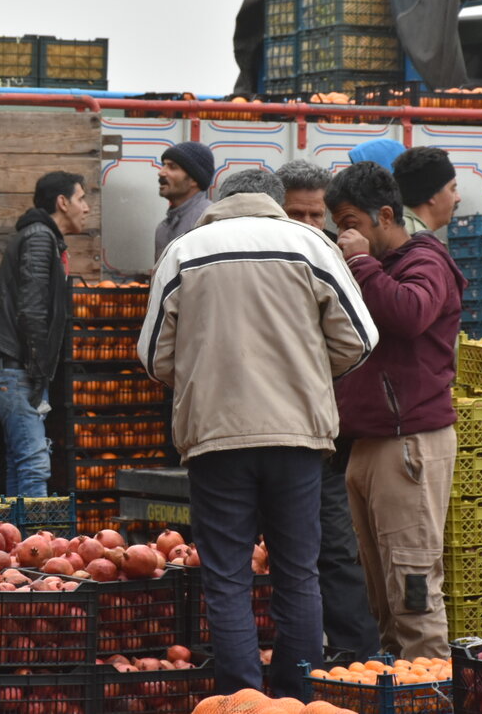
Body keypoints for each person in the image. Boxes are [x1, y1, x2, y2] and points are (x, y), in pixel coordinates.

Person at [139, 169, 377, 699]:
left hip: (215, 436)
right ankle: (297, 699)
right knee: (298, 573)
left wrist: (202, 377)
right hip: (296, 436)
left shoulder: (185, 250)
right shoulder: (311, 244)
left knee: (227, 577)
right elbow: (360, 338)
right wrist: (308, 373)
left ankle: (240, 699)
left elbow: (154, 354)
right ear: (275, 202)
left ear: (221, 201)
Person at [326, 162, 466, 659]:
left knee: (411, 580)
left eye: (351, 223)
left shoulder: (425, 260)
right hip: (369, 441)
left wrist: (361, 264)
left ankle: (428, 682)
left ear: (384, 215)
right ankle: (398, 687)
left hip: (409, 443)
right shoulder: (378, 265)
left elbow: (409, 314)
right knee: (382, 590)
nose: (344, 235)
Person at [274, 159, 382, 661]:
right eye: (298, 214)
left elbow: (358, 344)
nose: (310, 226)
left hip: (324, 432)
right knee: (285, 555)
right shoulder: (268, 267)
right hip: (272, 430)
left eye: (319, 216)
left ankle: (354, 661)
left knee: (335, 549)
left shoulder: (341, 264)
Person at [0, 171, 90, 497]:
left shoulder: (43, 238)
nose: (86, 208)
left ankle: (16, 541)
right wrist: (40, 371)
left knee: (20, 462)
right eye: (81, 199)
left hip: (12, 371)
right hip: (16, 372)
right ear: (62, 202)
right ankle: (36, 545)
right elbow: (32, 310)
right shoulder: (40, 238)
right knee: (34, 463)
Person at [154, 141, 214, 260]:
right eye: (163, 165)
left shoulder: (208, 221)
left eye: (172, 167)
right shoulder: (163, 228)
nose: (161, 172)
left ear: (194, 180)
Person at [391, 147, 460, 234]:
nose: (458, 198)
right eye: (452, 189)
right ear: (432, 195)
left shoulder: (394, 230)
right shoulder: (420, 242)